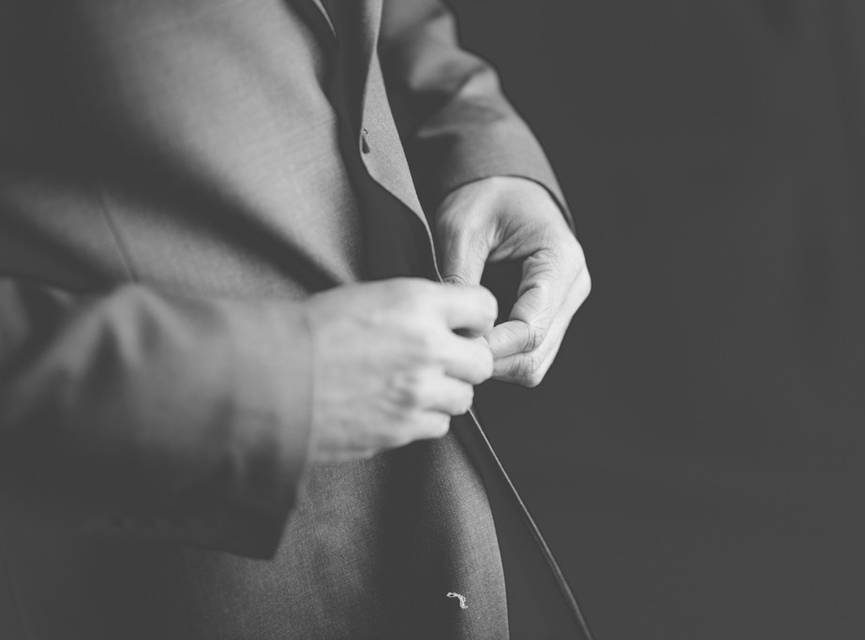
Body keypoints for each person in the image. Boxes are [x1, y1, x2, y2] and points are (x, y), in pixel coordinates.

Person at [0, 1, 591, 638]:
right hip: (146, 577)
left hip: (442, 523)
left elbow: (395, 18)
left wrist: (480, 145)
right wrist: (274, 387)